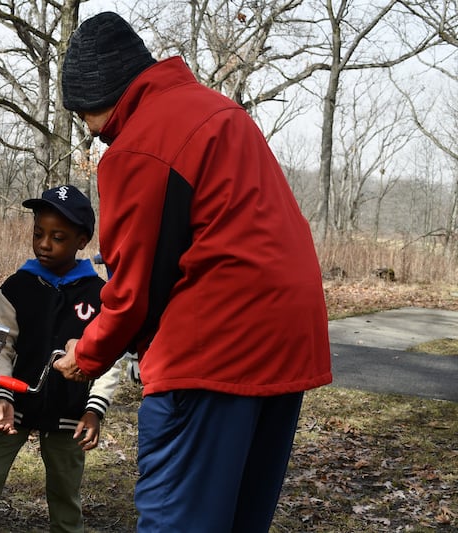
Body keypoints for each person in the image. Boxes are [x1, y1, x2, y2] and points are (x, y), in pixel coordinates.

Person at [53, 12, 332, 533]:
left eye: (82, 116)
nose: (90, 132)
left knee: (177, 520)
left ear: (95, 97)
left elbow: (134, 290)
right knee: (239, 517)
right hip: (290, 341)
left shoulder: (139, 143)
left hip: (214, 349)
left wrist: (85, 355)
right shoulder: (220, 111)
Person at [0, 184, 121, 533]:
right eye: (38, 233)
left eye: (58, 236)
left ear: (82, 240)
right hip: (13, 406)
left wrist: (94, 408)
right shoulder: (16, 288)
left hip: (70, 412)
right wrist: (1, 395)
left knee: (65, 494)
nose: (44, 244)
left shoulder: (98, 295)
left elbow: (109, 358)